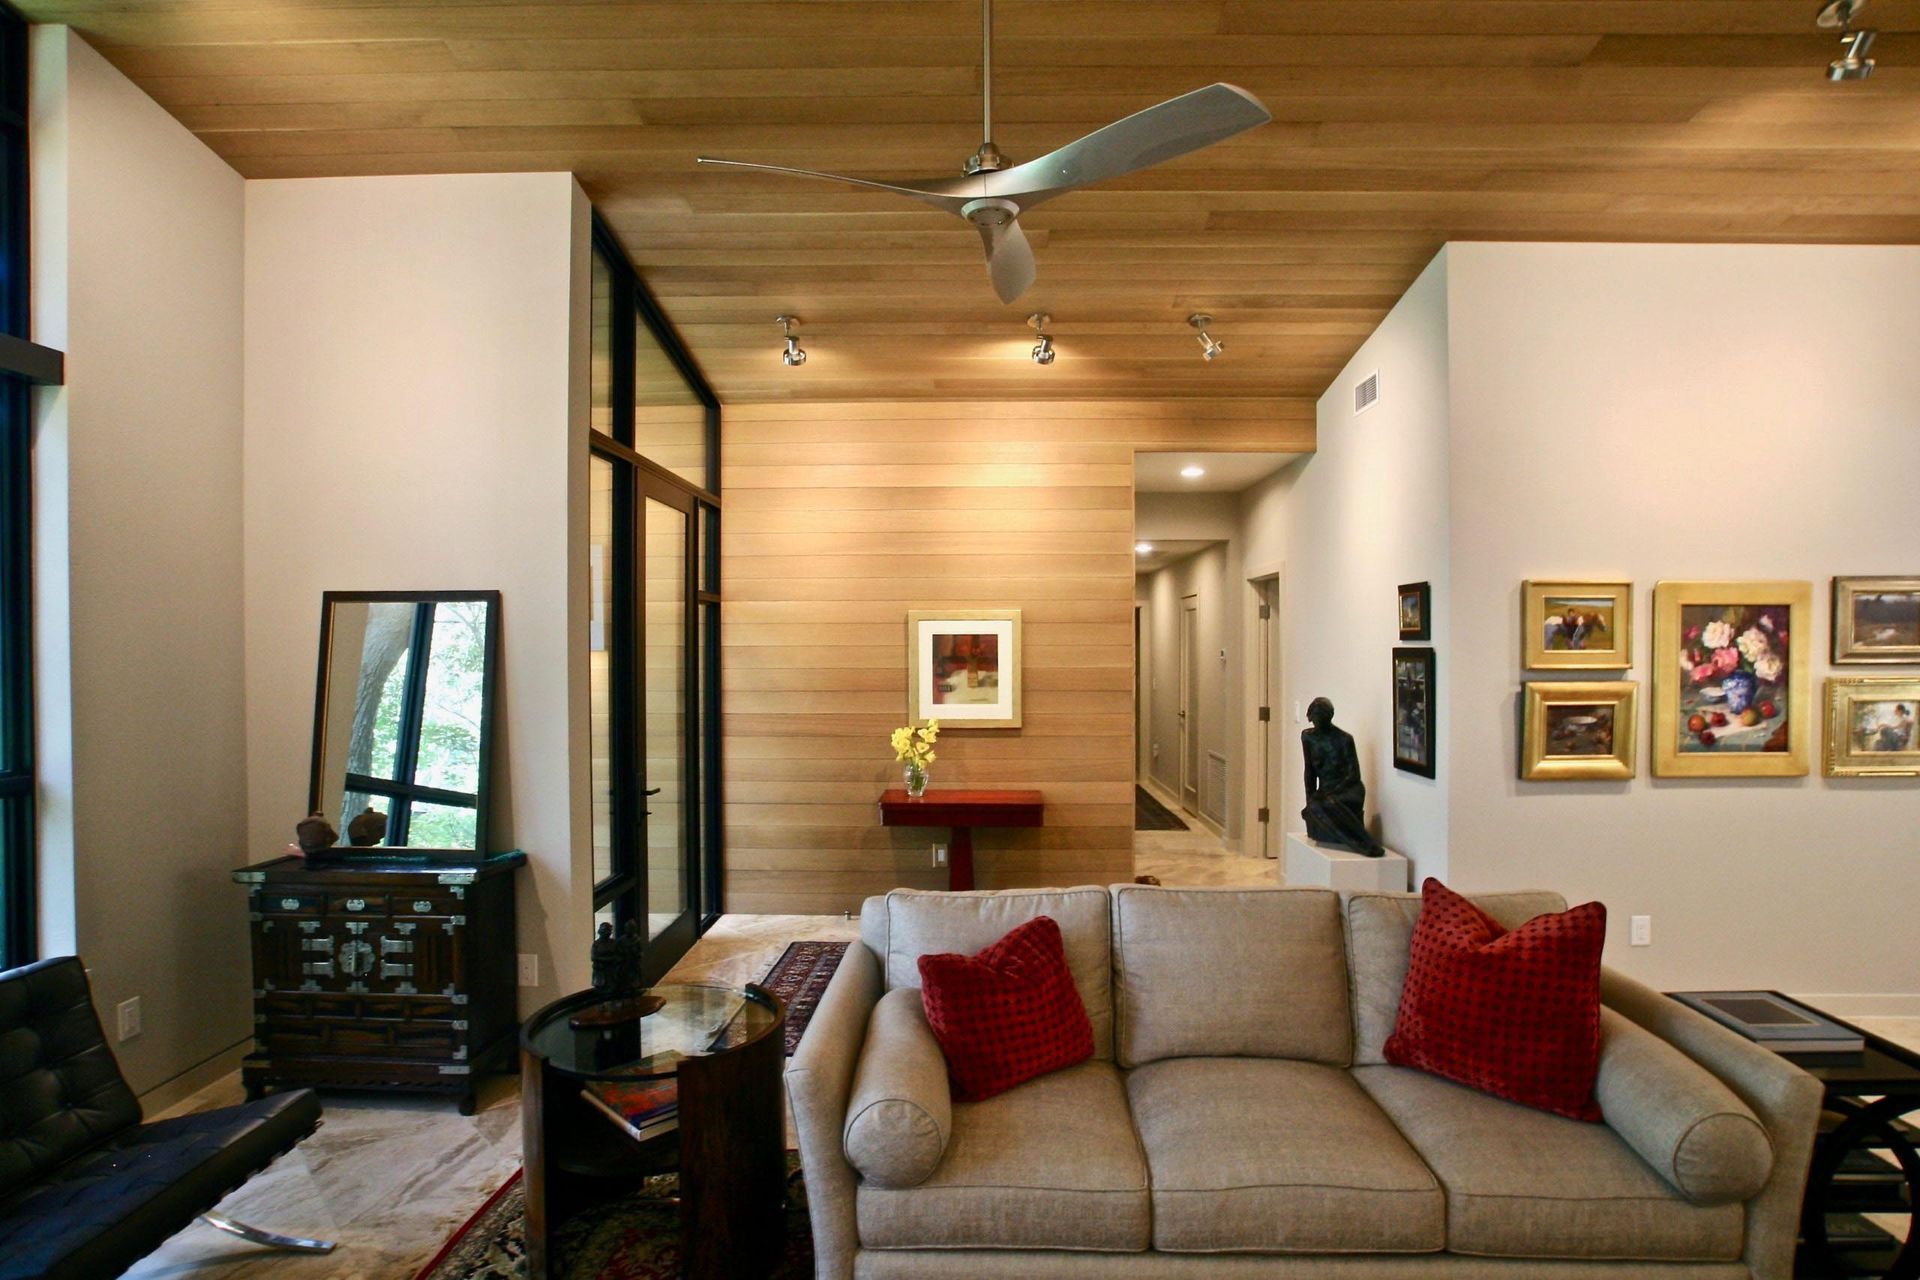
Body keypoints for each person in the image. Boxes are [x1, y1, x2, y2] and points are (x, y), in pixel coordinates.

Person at [1300, 697, 1384, 857]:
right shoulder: (1308, 737)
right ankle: (1361, 843)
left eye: (1320, 719)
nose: (1316, 724)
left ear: (1328, 717)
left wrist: (1331, 791)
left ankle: (1365, 843)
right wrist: (1309, 797)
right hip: (1326, 791)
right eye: (1314, 719)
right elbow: (1309, 771)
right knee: (1317, 805)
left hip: (1349, 788)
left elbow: (1353, 774)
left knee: (1328, 803)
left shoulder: (1344, 739)